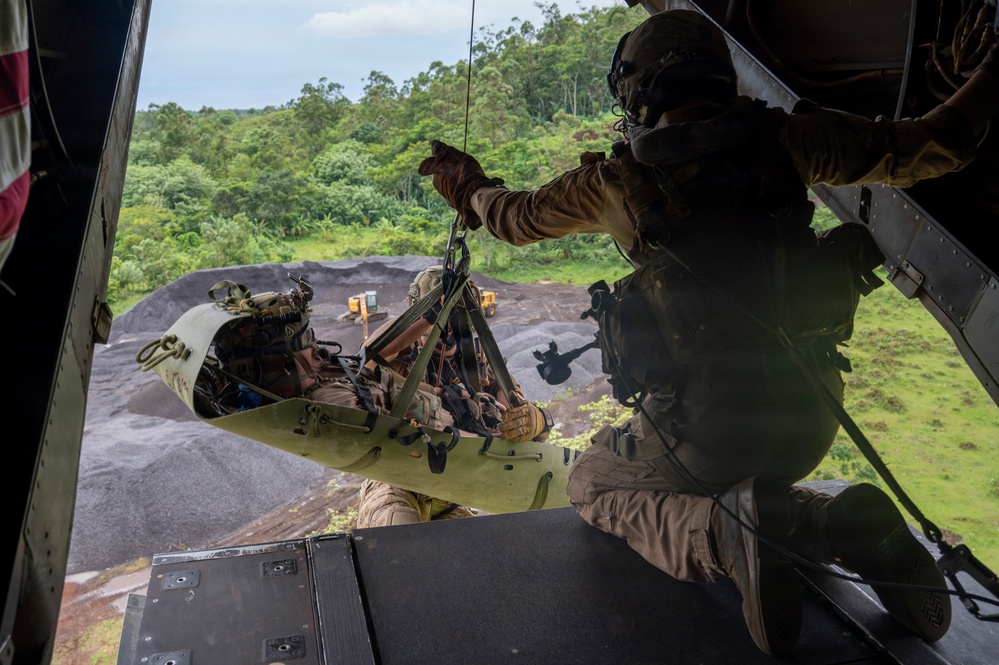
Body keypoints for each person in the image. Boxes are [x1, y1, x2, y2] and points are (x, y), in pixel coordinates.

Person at [417, 10, 999, 655]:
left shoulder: (614, 181)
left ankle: (729, 538)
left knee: (594, 484)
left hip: (707, 429)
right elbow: (938, 142)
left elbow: (513, 218)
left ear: (638, 91)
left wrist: (467, 184)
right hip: (812, 415)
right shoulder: (794, 142)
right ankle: (837, 526)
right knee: (743, 482)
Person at [356, 265, 554, 528]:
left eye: (456, 319)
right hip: (396, 481)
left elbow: (529, 426)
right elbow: (368, 355)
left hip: (453, 490)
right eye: (442, 321)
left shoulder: (480, 362)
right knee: (397, 532)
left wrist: (538, 420)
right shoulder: (401, 350)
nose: (448, 330)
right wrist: (431, 313)